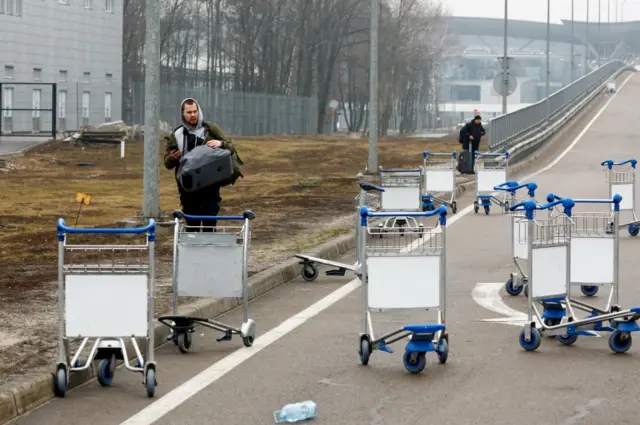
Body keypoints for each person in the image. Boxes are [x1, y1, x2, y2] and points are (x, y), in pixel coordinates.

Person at [163, 98, 240, 231]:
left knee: (209, 225)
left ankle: (209, 250)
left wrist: (221, 144)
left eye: (195, 111)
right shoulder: (177, 134)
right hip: (188, 189)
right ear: (183, 114)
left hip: (210, 186)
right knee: (192, 226)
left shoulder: (210, 129)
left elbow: (231, 148)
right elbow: (167, 163)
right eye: (189, 112)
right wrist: (173, 157)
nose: (193, 115)